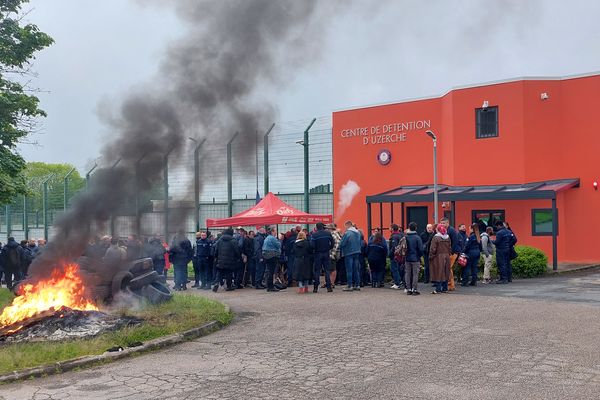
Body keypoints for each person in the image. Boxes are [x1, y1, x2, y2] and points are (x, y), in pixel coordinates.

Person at [310, 222, 334, 293]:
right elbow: (332, 242)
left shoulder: (314, 235)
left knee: (317, 271)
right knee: (327, 271)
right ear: (322, 227)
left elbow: (312, 245)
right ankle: (329, 287)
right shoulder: (328, 233)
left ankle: (315, 288)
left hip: (318, 253)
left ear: (316, 227)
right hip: (326, 253)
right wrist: (329, 248)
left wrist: (315, 249)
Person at [339, 220, 361, 291]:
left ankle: (350, 285)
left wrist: (339, 246)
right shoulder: (358, 233)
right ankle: (357, 285)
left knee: (349, 270)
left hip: (349, 252)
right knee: (356, 269)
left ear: (347, 225)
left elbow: (342, 243)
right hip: (357, 252)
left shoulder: (347, 233)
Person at [429, 224, 451, 294]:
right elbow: (450, 247)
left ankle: (438, 289)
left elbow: (433, 249)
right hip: (446, 256)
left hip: (438, 256)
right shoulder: (447, 237)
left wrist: (431, 256)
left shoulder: (436, 237)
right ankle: (445, 288)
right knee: (445, 271)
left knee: (438, 272)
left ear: (438, 229)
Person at [404, 222, 424, 295]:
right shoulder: (417, 237)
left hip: (407, 258)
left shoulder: (405, 237)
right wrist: (419, 256)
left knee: (407, 273)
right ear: (416, 228)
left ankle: (408, 289)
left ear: (409, 228)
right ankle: (414, 289)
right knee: (415, 274)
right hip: (415, 258)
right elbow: (421, 249)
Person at [440, 217, 460, 291]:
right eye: (441, 223)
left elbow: (455, 242)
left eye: (443, 223)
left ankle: (451, 285)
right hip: (449, 252)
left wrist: (451, 252)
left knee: (448, 268)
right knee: (448, 268)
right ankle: (450, 284)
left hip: (452, 252)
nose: (442, 224)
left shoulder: (451, 230)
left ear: (447, 223)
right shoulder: (445, 230)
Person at [262, 227, 282, 292]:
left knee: (269, 271)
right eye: (275, 231)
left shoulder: (267, 238)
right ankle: (271, 286)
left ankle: (269, 286)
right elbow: (278, 245)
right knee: (271, 272)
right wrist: (279, 239)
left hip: (267, 256)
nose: (276, 232)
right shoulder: (272, 238)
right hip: (272, 256)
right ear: (272, 231)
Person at [388, 224, 405, 290]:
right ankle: (400, 281)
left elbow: (394, 247)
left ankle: (397, 283)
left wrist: (390, 254)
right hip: (400, 255)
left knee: (394, 269)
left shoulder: (394, 236)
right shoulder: (401, 235)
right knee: (398, 269)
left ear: (392, 229)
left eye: (390, 228)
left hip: (395, 256)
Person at [326, 223, 342, 288]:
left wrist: (333, 253)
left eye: (327, 228)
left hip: (332, 254)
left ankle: (332, 283)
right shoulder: (334, 234)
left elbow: (337, 244)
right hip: (333, 253)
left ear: (330, 229)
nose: (326, 229)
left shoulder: (333, 234)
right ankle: (330, 282)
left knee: (333, 269)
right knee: (331, 268)